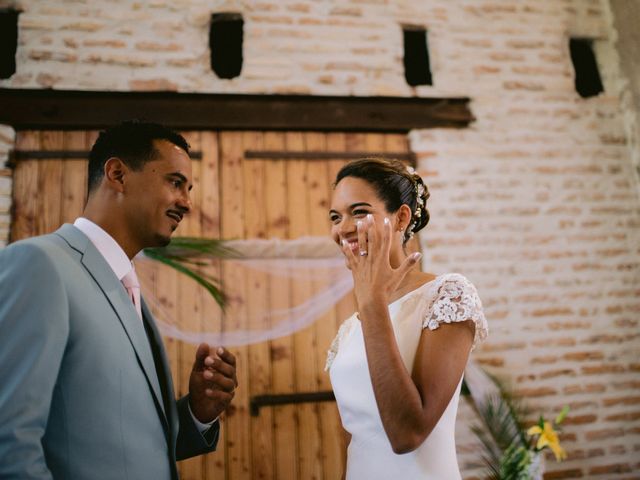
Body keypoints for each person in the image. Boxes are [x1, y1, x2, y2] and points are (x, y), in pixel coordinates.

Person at [0, 121, 237, 479]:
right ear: (117, 174)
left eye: (189, 188)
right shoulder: (40, 265)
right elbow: (9, 438)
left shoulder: (125, 285)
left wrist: (197, 413)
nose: (186, 203)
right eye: (175, 183)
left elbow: (127, 446)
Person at [326, 158, 488, 479]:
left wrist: (371, 300)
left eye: (358, 212)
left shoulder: (446, 296)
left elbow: (406, 435)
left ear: (400, 217)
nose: (342, 228)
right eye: (335, 216)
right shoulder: (349, 330)